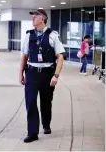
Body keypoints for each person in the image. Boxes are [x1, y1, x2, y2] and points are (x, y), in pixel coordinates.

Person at [19, 9, 65, 143]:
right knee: (31, 102)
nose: (33, 18)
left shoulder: (53, 36)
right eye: (32, 15)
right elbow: (24, 56)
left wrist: (56, 75)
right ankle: (32, 132)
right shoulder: (29, 36)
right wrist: (21, 73)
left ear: (43, 19)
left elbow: (60, 57)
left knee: (46, 102)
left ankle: (46, 124)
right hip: (32, 73)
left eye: (36, 16)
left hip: (47, 74)